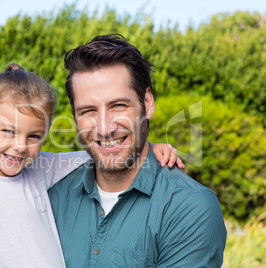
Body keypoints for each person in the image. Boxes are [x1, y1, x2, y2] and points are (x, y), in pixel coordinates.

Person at [0, 63, 182, 267]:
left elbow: (96, 152)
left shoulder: (36, 169)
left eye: (33, 136)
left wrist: (149, 148)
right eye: (7, 131)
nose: (19, 146)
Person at [48, 34, 227, 267]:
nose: (104, 128)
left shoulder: (189, 207)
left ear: (148, 103)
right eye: (88, 111)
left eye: (118, 106)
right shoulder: (50, 195)